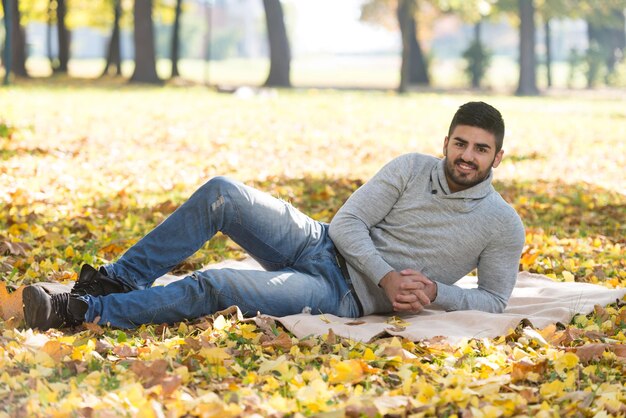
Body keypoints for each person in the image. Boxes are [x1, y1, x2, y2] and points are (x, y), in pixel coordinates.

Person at [22, 101, 525, 331]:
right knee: (223, 193)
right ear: (446, 142)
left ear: (496, 158)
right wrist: (388, 274)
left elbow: (495, 299)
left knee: (216, 284)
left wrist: (435, 292)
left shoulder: (502, 225)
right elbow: (347, 224)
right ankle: (112, 282)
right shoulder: (411, 168)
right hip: (322, 244)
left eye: (480, 149)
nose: (467, 155)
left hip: (344, 296)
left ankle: (84, 313)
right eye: (460, 142)